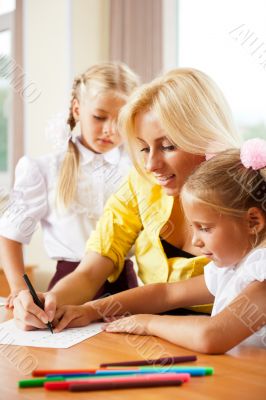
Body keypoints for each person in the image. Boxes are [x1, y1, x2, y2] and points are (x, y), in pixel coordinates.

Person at [12, 68, 242, 331]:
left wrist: (98, 311)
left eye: (167, 146)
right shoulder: (141, 184)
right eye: (144, 148)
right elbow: (89, 273)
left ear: (205, 137)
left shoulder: (246, 197)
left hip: (231, 339)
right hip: (157, 335)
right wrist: (49, 301)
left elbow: (198, 312)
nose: (151, 164)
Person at [54, 138, 266, 353]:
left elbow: (211, 336)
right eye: (193, 228)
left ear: (253, 222)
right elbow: (164, 294)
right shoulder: (230, 270)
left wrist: (148, 323)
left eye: (205, 228)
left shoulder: (261, 275)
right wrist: (90, 310)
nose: (195, 241)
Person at [0, 62, 140, 308]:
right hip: (66, 290)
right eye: (99, 117)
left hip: (125, 291)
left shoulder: (138, 169)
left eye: (121, 120)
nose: (110, 129)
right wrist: (19, 288)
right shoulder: (43, 169)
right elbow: (10, 233)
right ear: (77, 109)